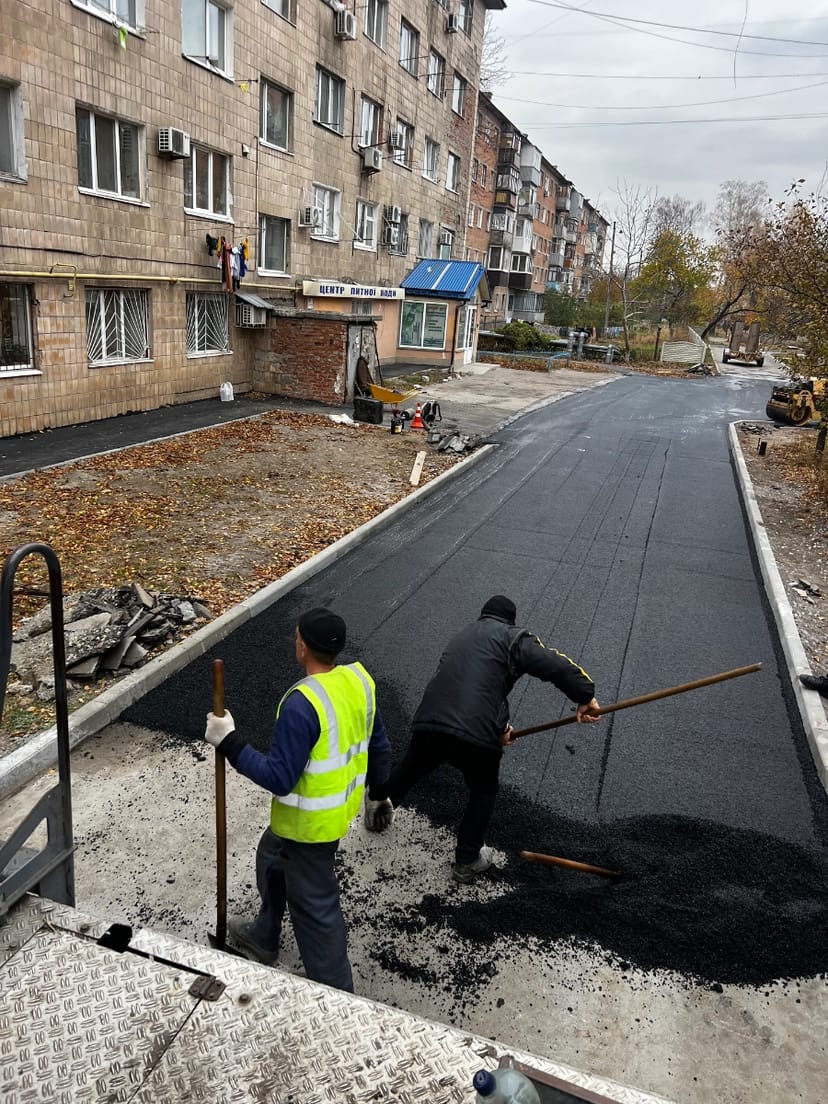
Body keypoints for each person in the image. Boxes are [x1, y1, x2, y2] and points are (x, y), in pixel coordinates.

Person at [204, 607, 393, 992]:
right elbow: (381, 745)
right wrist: (378, 794)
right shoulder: (359, 682)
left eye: (296, 638)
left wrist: (229, 741)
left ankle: (337, 996)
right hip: (328, 817)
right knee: (271, 855)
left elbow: (280, 778)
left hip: (310, 831)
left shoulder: (301, 704)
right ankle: (264, 935)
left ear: (302, 647)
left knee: (317, 913)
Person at [386, 595, 600, 884]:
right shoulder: (514, 639)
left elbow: (479, 687)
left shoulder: (462, 637)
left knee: (410, 768)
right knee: (483, 790)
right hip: (475, 735)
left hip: (430, 721)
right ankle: (467, 860)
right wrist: (585, 695)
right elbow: (555, 665)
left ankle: (378, 809)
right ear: (510, 621)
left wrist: (500, 727)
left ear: (483, 615)